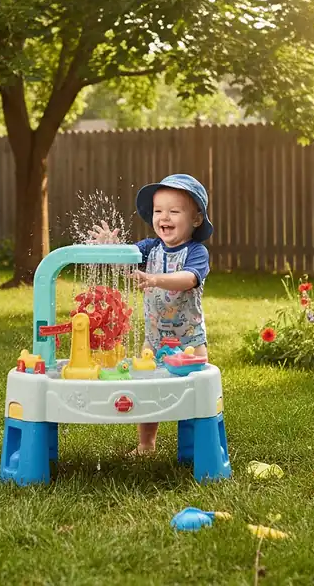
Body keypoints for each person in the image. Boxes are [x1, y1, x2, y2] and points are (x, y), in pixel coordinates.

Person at [89, 173, 213, 455]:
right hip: (155, 339)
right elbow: (126, 258)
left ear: (195, 219)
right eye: (158, 211)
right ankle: (146, 444)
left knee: (193, 391)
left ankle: (194, 446)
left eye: (173, 211)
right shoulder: (149, 249)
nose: (163, 217)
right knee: (148, 390)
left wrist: (156, 279)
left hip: (190, 341)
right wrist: (111, 247)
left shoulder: (197, 252)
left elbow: (187, 278)